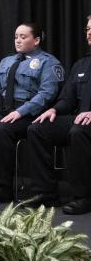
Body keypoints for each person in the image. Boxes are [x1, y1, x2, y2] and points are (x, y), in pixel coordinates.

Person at [0, 22, 63, 203]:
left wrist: (21, 112)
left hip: (31, 116)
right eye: (16, 37)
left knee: (3, 129)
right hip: (5, 112)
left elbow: (46, 94)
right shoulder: (7, 61)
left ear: (36, 40)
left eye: (23, 37)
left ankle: (3, 188)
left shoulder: (48, 62)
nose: (18, 40)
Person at [23, 17, 91, 211]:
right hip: (80, 118)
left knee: (79, 132)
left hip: (86, 122)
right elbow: (67, 99)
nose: (89, 33)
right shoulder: (81, 64)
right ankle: (46, 194)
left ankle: (84, 197)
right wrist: (54, 109)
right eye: (87, 29)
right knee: (38, 128)